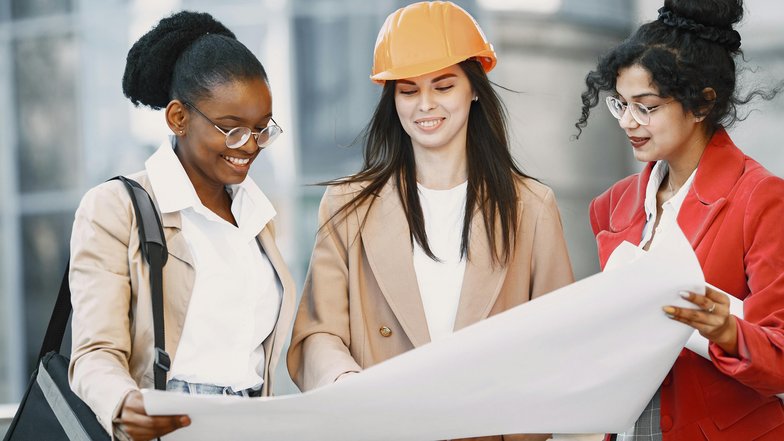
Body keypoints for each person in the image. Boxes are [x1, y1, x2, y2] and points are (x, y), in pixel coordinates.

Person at [288, 2, 573, 440]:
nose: (425, 105)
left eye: (443, 86)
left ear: (473, 89)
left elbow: (559, 343)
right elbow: (319, 332)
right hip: (383, 428)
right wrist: (345, 383)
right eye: (407, 90)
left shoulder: (531, 207)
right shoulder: (347, 205)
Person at [68, 10, 296, 441]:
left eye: (262, 130)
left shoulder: (257, 217)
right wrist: (122, 403)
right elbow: (94, 353)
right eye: (231, 131)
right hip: (168, 423)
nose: (249, 146)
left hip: (253, 425)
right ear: (178, 118)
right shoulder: (116, 208)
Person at [575, 0, 784, 439]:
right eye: (621, 104)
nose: (628, 122)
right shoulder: (612, 206)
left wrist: (728, 332)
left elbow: (780, 360)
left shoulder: (762, 199)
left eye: (646, 107)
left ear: (703, 104)